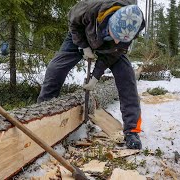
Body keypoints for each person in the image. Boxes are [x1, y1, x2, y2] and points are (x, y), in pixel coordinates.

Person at [37, 0, 145, 149]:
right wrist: (83, 45)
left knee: (127, 78)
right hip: (82, 35)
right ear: (111, 21)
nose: (115, 40)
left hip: (110, 50)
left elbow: (113, 54)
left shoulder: (131, 30)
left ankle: (132, 130)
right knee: (57, 67)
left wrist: (95, 76)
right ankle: (41, 112)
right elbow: (74, 23)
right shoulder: (90, 9)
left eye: (119, 39)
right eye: (114, 35)